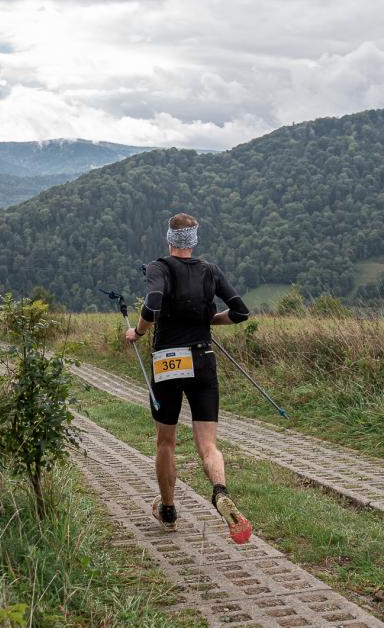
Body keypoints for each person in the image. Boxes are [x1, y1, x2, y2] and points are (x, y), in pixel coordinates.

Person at [125, 213, 253, 543]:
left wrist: (137, 332)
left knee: (166, 441)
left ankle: (168, 510)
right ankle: (220, 490)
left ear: (170, 240)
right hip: (203, 357)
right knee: (207, 443)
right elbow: (240, 312)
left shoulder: (159, 268)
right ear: (194, 242)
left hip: (169, 360)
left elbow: (152, 306)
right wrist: (210, 320)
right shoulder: (210, 270)